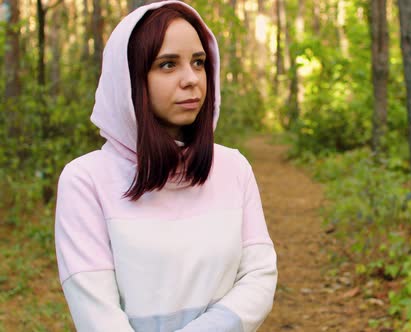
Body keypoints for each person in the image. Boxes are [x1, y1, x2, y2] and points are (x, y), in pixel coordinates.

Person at [54, 1, 277, 331]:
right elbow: (96, 312)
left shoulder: (233, 168)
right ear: (130, 78)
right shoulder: (86, 180)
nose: (191, 79)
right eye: (168, 64)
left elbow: (259, 276)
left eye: (199, 62)